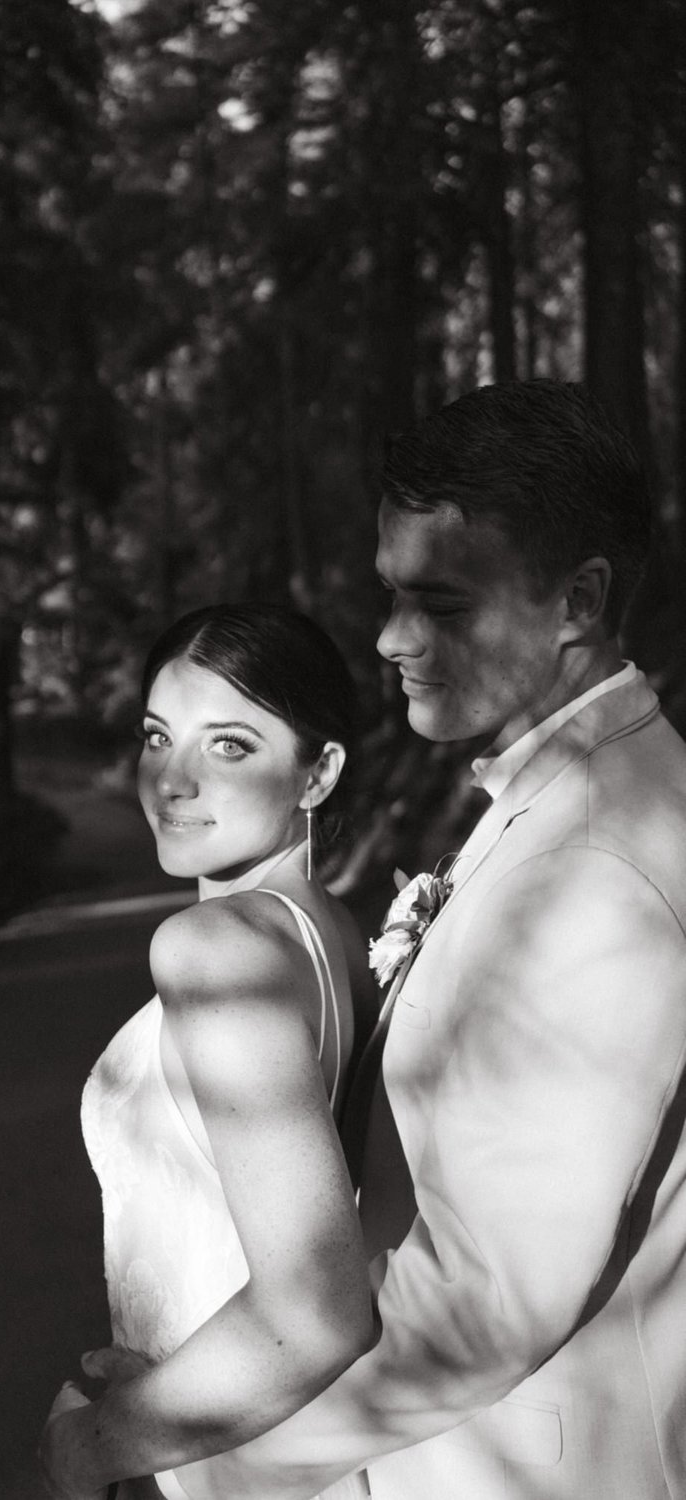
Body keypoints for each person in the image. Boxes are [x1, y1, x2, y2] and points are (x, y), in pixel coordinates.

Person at [117, 378, 686, 1500]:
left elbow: (484, 1301)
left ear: (577, 600)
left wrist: (190, 1452)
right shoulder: (552, 807)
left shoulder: (594, 860)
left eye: (443, 604)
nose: (389, 637)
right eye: (389, 594)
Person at [38, 603, 378, 1500]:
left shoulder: (213, 949)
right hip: (263, 1438)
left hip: (235, 1469)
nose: (172, 780)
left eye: (228, 745)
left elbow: (317, 1311)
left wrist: (91, 1448)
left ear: (319, 772)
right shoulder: (330, 932)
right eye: (158, 736)